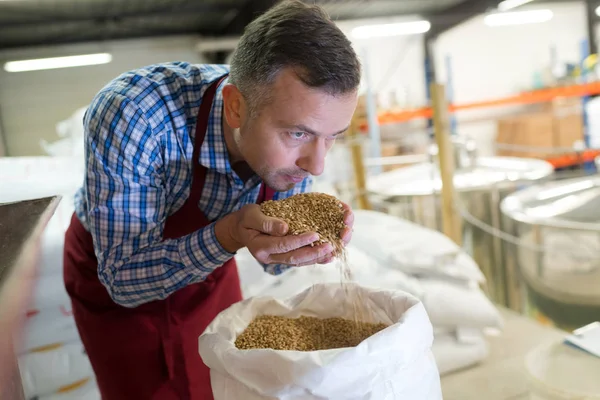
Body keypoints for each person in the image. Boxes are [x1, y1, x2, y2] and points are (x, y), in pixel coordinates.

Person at [63, 0, 361, 399]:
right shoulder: (134, 114)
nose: (317, 165)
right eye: (298, 134)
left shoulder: (285, 119)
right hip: (118, 274)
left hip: (210, 266)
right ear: (236, 106)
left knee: (223, 382)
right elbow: (122, 279)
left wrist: (292, 247)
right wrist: (228, 234)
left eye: (333, 136)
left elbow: (268, 260)